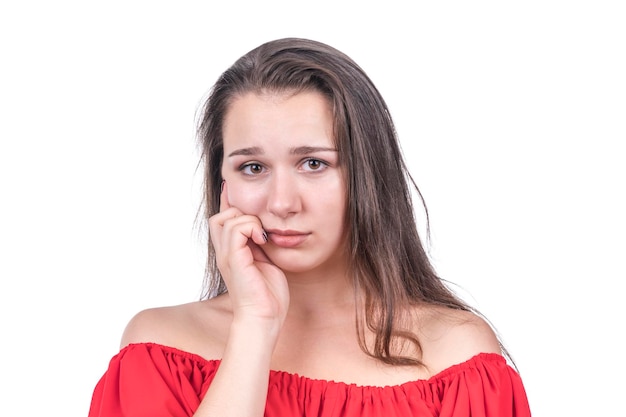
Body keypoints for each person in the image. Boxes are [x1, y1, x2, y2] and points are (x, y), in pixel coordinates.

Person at [88, 37, 531, 417]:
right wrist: (255, 325)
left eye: (314, 163)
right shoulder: (159, 351)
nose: (282, 203)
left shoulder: (455, 357)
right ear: (223, 183)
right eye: (253, 166)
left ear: (368, 173)